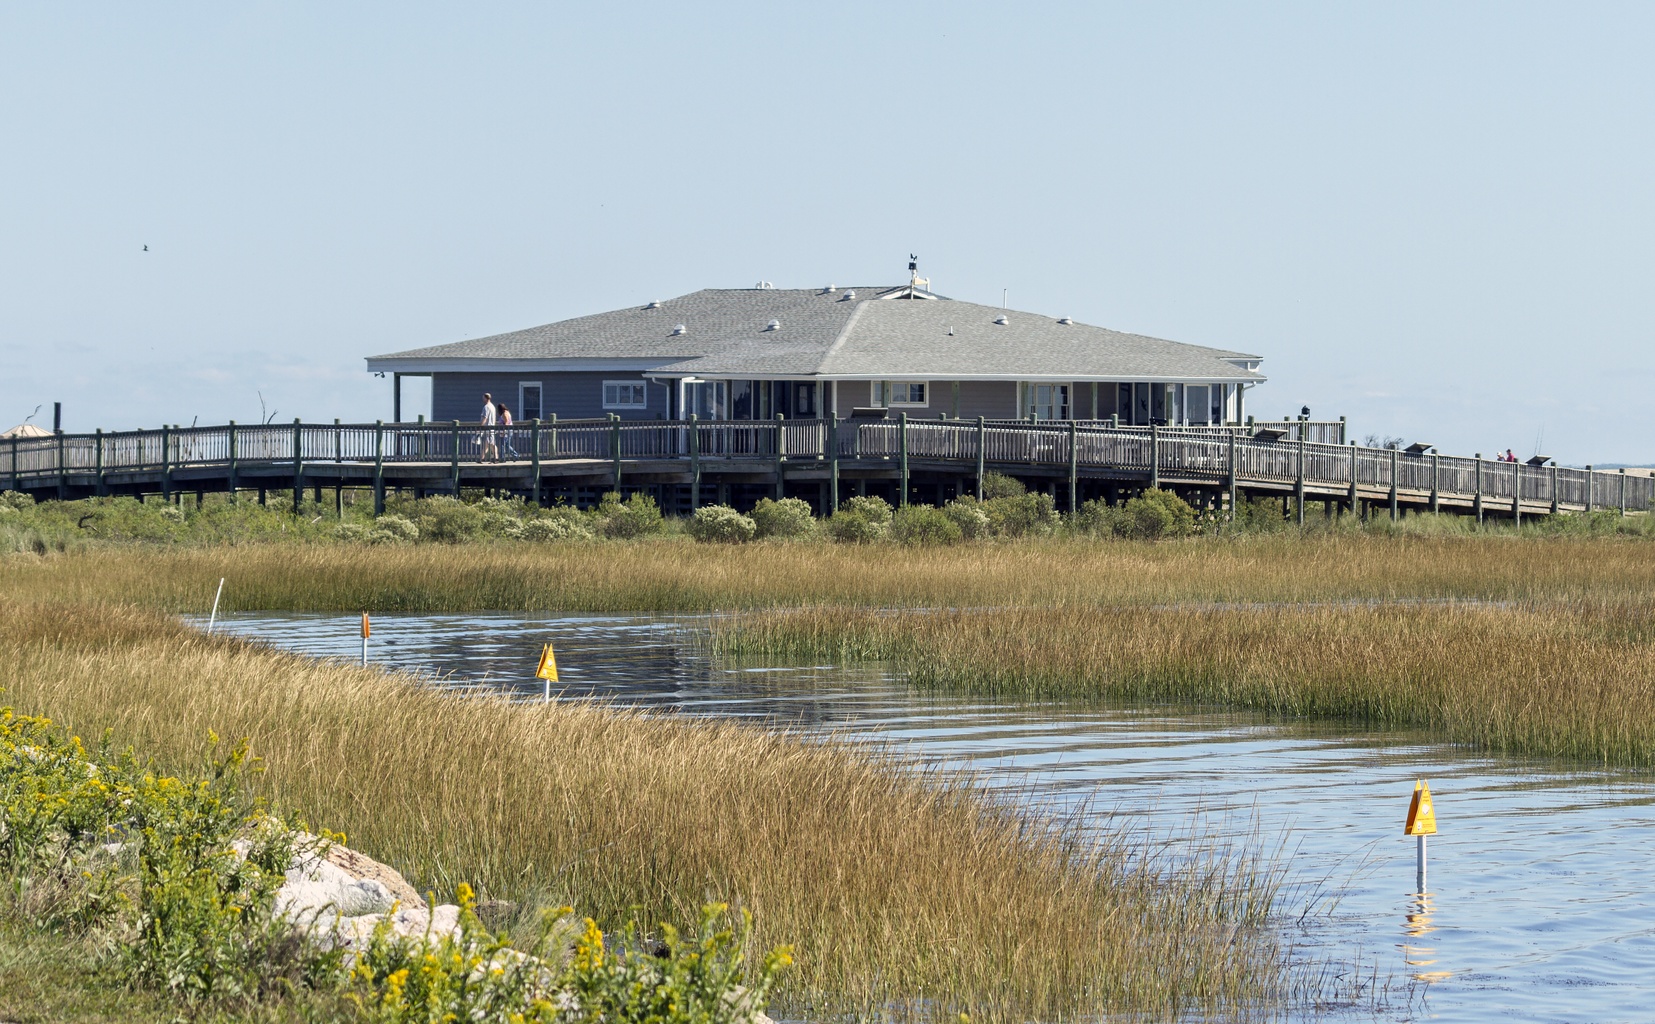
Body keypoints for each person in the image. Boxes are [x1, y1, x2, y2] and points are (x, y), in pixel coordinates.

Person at [479, 393, 498, 462]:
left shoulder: (486, 407)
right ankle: (482, 458)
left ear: (486, 398)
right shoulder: (493, 407)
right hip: (492, 427)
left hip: (488, 427)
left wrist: (481, 425)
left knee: (492, 444)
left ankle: (496, 458)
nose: (482, 399)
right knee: (488, 443)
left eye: (483, 398)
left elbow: (485, 417)